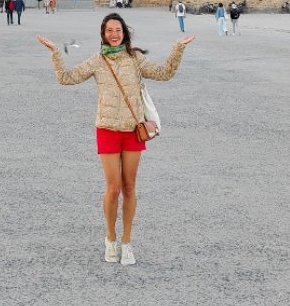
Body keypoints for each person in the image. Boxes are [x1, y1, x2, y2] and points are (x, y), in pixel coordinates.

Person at [37, 13, 195, 266]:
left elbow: (165, 73)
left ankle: (126, 242)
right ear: (103, 33)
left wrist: (178, 48)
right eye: (110, 30)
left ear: (124, 33)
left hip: (133, 131)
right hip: (108, 129)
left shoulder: (135, 59)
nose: (114, 34)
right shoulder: (97, 61)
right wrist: (55, 52)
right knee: (113, 189)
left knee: (130, 187)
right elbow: (66, 78)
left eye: (118, 30)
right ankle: (110, 238)